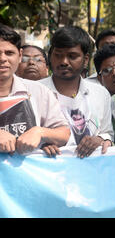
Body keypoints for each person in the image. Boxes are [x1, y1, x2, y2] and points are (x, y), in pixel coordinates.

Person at [40, 26, 114, 158]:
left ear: (85, 60)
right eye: (58, 55)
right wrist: (41, 145)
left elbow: (108, 133)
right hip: (48, 172)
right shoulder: (34, 92)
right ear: (50, 56)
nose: (64, 62)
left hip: (91, 170)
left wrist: (100, 139)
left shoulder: (100, 93)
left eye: (72, 56)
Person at [0, 25, 70, 156]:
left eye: (9, 53)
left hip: (26, 175)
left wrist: (40, 133)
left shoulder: (38, 91)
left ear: (19, 56)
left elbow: (64, 133)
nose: (3, 59)